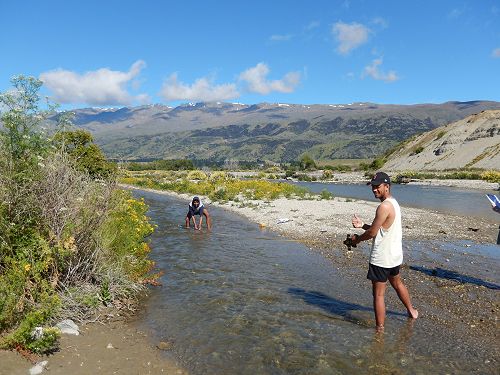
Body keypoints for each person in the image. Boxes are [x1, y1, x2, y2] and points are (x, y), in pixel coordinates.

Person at [349, 171, 418, 332]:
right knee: (398, 283)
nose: (374, 189)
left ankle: (379, 330)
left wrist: (356, 240)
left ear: (387, 186)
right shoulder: (393, 203)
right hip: (394, 256)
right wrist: (363, 225)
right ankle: (412, 311)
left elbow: (373, 233)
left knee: (378, 295)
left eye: (377, 186)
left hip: (381, 258)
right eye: (372, 187)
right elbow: (380, 229)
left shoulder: (383, 206)